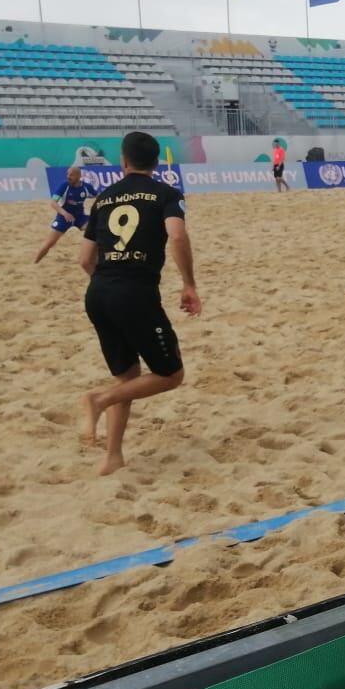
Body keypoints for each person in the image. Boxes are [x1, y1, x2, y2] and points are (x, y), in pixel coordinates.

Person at [78, 131, 201, 477]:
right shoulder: (166, 193)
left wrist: (106, 287)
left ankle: (112, 456)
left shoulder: (103, 199)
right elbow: (177, 234)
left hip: (98, 293)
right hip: (134, 293)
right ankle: (97, 401)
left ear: (124, 161)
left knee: (128, 378)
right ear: (156, 162)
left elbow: (85, 259)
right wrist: (189, 284)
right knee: (171, 374)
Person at [34, 166, 95, 263]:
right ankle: (35, 262)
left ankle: (95, 259)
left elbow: (99, 197)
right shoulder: (64, 186)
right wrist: (65, 213)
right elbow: (53, 203)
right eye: (67, 174)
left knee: (97, 232)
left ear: (79, 176)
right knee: (50, 243)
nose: (68, 176)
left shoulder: (86, 187)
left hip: (80, 217)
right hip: (64, 217)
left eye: (71, 175)